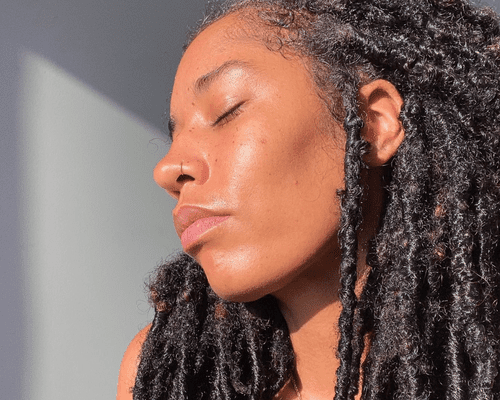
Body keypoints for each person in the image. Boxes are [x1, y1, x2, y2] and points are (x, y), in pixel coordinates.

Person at [117, 0, 500, 399]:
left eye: (227, 111)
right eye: (175, 134)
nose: (166, 170)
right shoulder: (170, 373)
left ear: (374, 124)